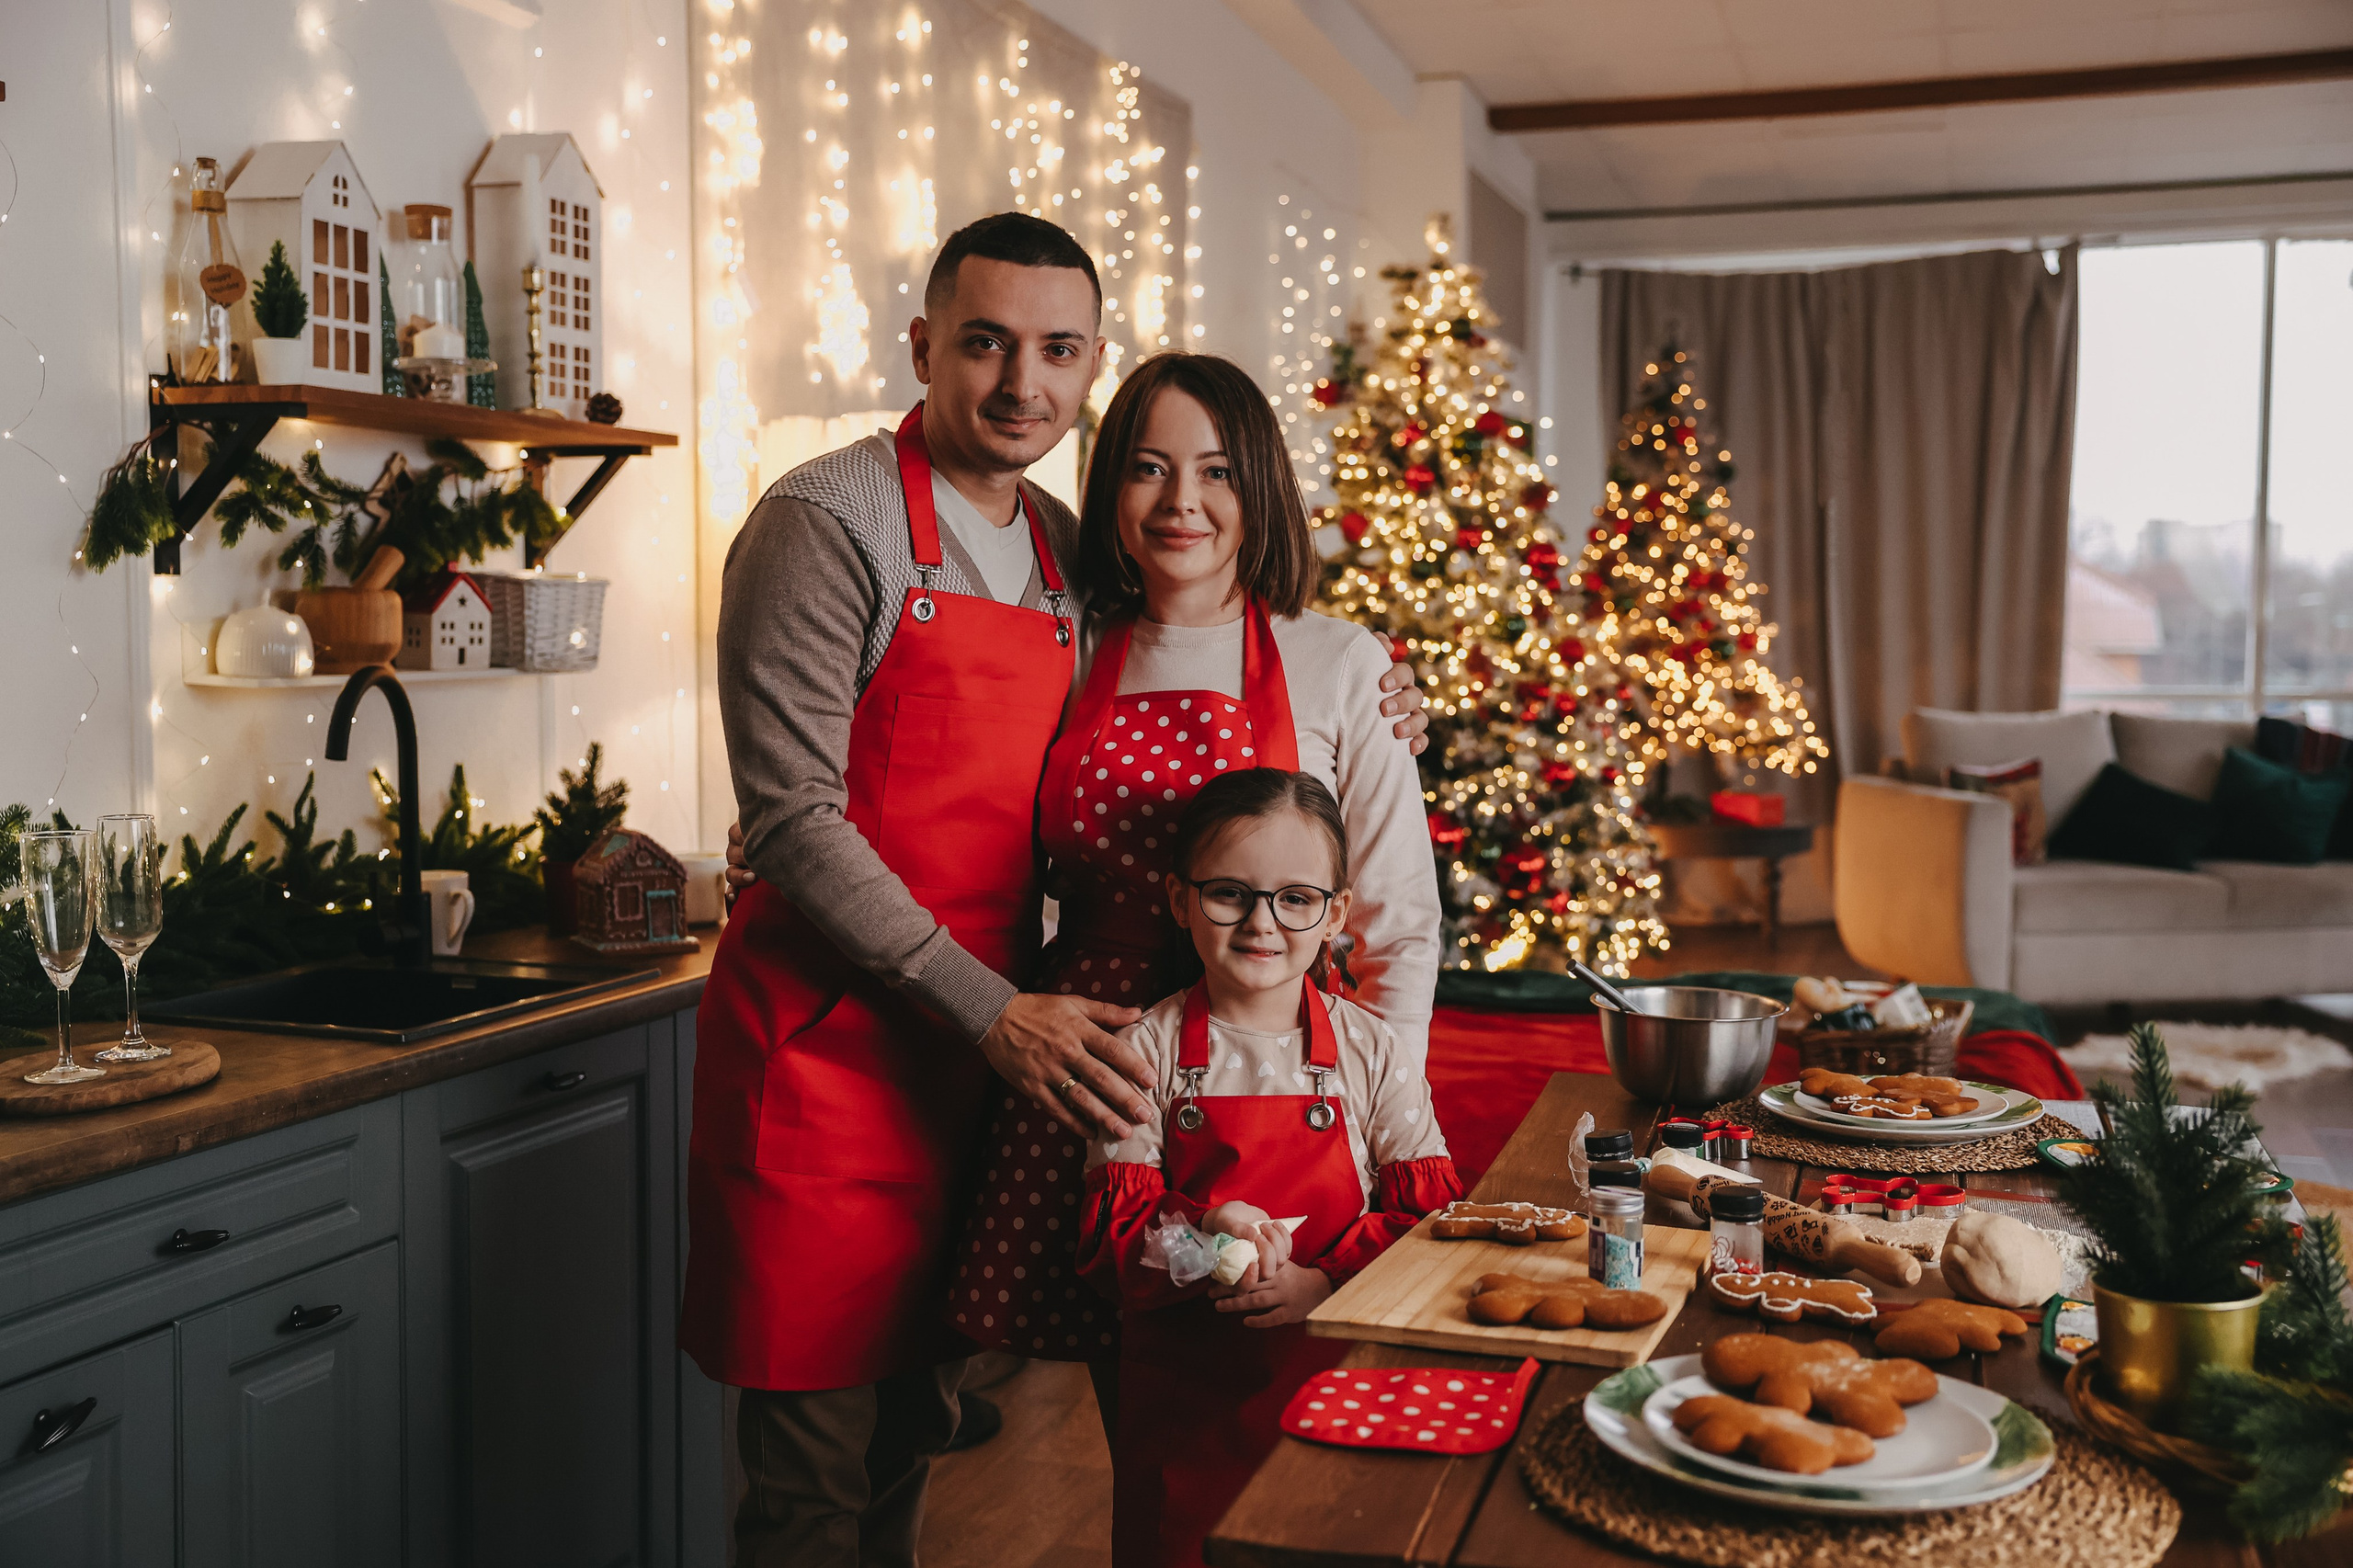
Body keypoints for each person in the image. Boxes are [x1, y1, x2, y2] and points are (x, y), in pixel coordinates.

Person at [687, 213, 1427, 1568]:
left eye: (1058, 350)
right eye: (984, 342)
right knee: (806, 1475)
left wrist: (1380, 698)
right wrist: (993, 1013)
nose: (1020, 382)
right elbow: (792, 814)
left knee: (920, 1427)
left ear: (1087, 365)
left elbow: (1238, 653)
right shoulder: (822, 519)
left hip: (1006, 1071)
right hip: (835, 1055)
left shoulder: (1067, 558)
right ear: (924, 345)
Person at [946, 352, 1445, 1413]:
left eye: (1216, 471)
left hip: (1277, 1075)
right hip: (1096, 1073)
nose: (1182, 503)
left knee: (1294, 1387)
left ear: (1258, 489)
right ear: (1108, 491)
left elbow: (1399, 917)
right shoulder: (1066, 647)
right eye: (1147, 468)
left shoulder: (1342, 663)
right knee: (1148, 1396)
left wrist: (1381, 1104)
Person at [1079, 768, 1463, 1567]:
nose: (1262, 923)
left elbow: (1432, 1228)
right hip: (1187, 1403)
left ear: (1337, 913)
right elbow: (1114, 1246)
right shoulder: (1142, 1055)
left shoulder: (1371, 1052)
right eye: (1230, 894)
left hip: (1334, 1382)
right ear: (1181, 900)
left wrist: (1325, 1284)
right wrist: (1205, 1242)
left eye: (1296, 898)